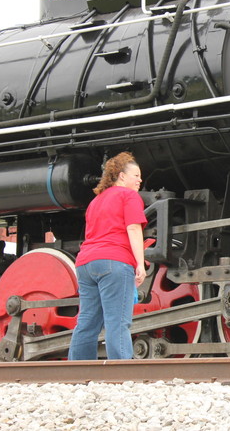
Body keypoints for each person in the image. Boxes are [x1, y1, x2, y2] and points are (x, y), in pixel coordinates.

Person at [68, 152, 147, 360]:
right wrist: (140, 263)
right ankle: (121, 375)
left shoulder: (95, 201)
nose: (140, 180)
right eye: (136, 175)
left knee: (86, 321)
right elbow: (133, 229)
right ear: (122, 176)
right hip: (114, 261)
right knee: (117, 321)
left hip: (86, 263)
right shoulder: (128, 196)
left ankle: (75, 373)